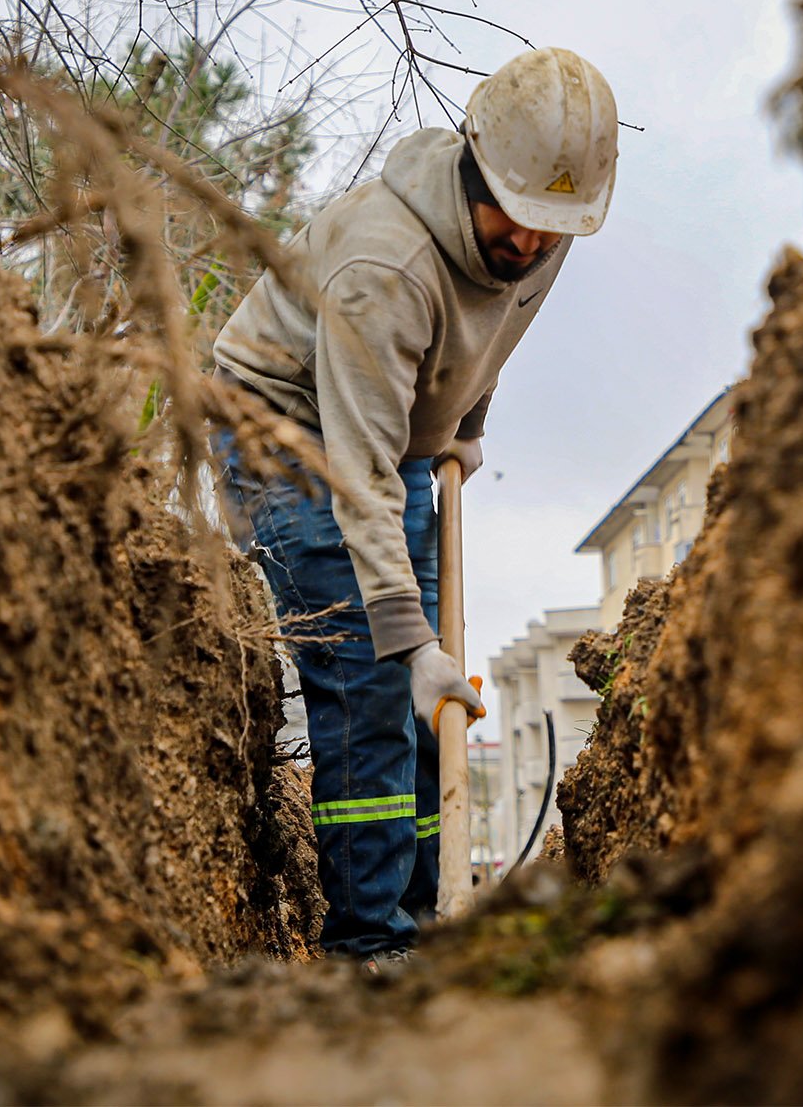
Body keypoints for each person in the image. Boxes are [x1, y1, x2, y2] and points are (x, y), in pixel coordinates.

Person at [213, 47, 619, 961]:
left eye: (548, 234)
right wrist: (407, 635)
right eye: (513, 223)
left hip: (392, 433)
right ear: (477, 167)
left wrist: (468, 419)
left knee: (421, 684)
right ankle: (370, 943)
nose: (527, 248)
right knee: (369, 664)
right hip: (283, 425)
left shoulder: (542, 232)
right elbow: (358, 475)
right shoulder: (383, 264)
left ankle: (428, 920)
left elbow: (494, 332)